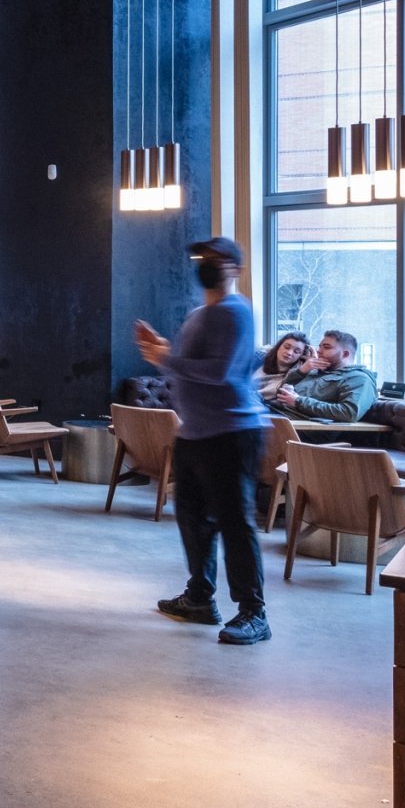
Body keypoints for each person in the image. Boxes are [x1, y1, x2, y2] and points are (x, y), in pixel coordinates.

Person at [138, 237, 272, 645]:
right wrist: (162, 350)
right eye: (201, 258)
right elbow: (191, 369)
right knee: (193, 519)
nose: (205, 264)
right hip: (194, 432)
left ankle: (253, 613)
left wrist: (164, 358)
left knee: (235, 524)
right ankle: (199, 597)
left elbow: (220, 373)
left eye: (214, 259)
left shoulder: (236, 312)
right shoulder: (201, 313)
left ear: (234, 268)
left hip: (232, 433)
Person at [274, 329, 378, 425]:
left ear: (345, 354)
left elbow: (349, 413)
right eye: (320, 346)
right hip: (276, 414)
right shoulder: (316, 372)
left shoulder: (359, 378)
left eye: (326, 347)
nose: (319, 351)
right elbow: (280, 394)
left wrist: (298, 401)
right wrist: (301, 371)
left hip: (298, 426)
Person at [258, 332, 311, 407]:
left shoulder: (298, 373)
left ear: (302, 356)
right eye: (286, 347)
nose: (289, 353)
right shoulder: (259, 360)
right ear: (279, 346)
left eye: (296, 351)